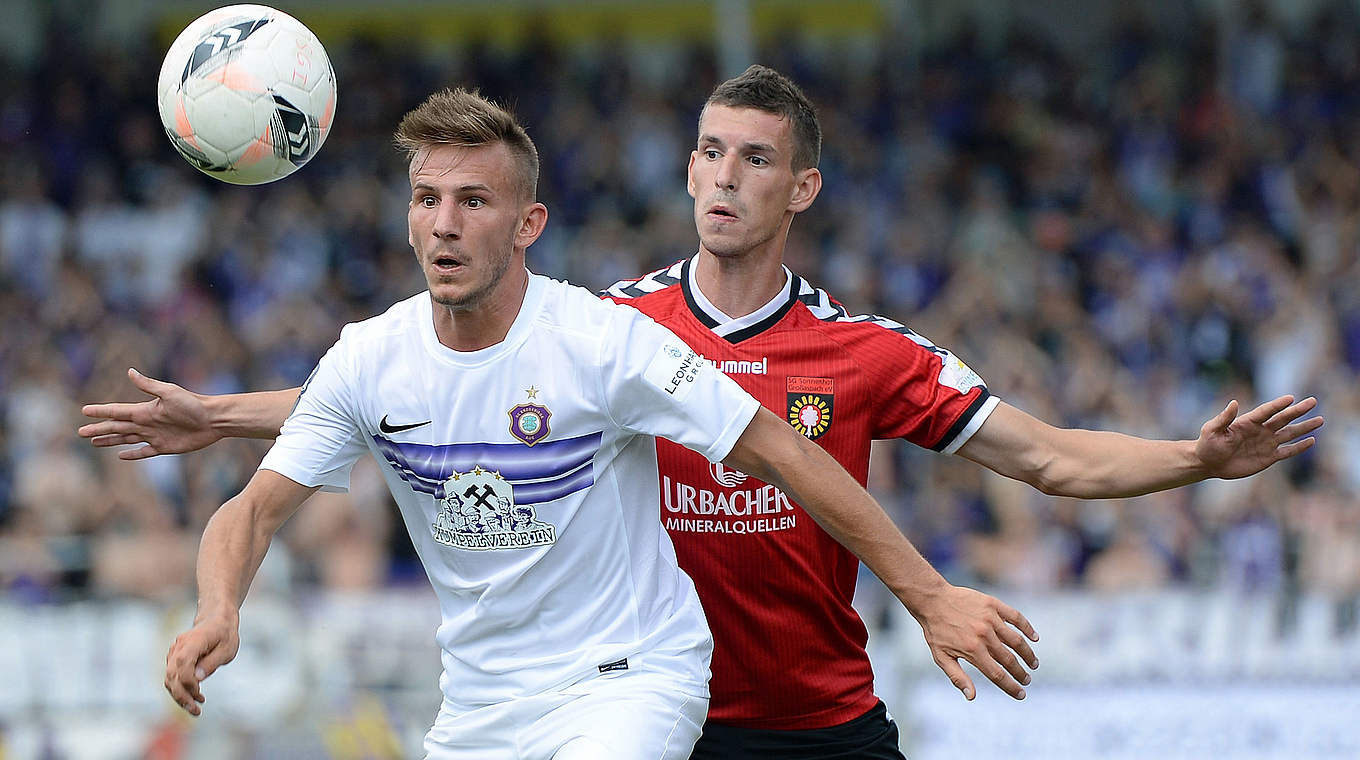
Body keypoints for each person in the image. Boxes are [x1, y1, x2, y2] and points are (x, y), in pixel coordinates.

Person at [81, 68, 1320, 758]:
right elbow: (413, 390)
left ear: (802, 187)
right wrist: (229, 417)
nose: (724, 176)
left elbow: (1048, 456)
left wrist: (1191, 462)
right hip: (645, 706)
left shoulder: (861, 350)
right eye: (708, 153)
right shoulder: (622, 324)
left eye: (754, 159)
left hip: (807, 716)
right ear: (685, 171)